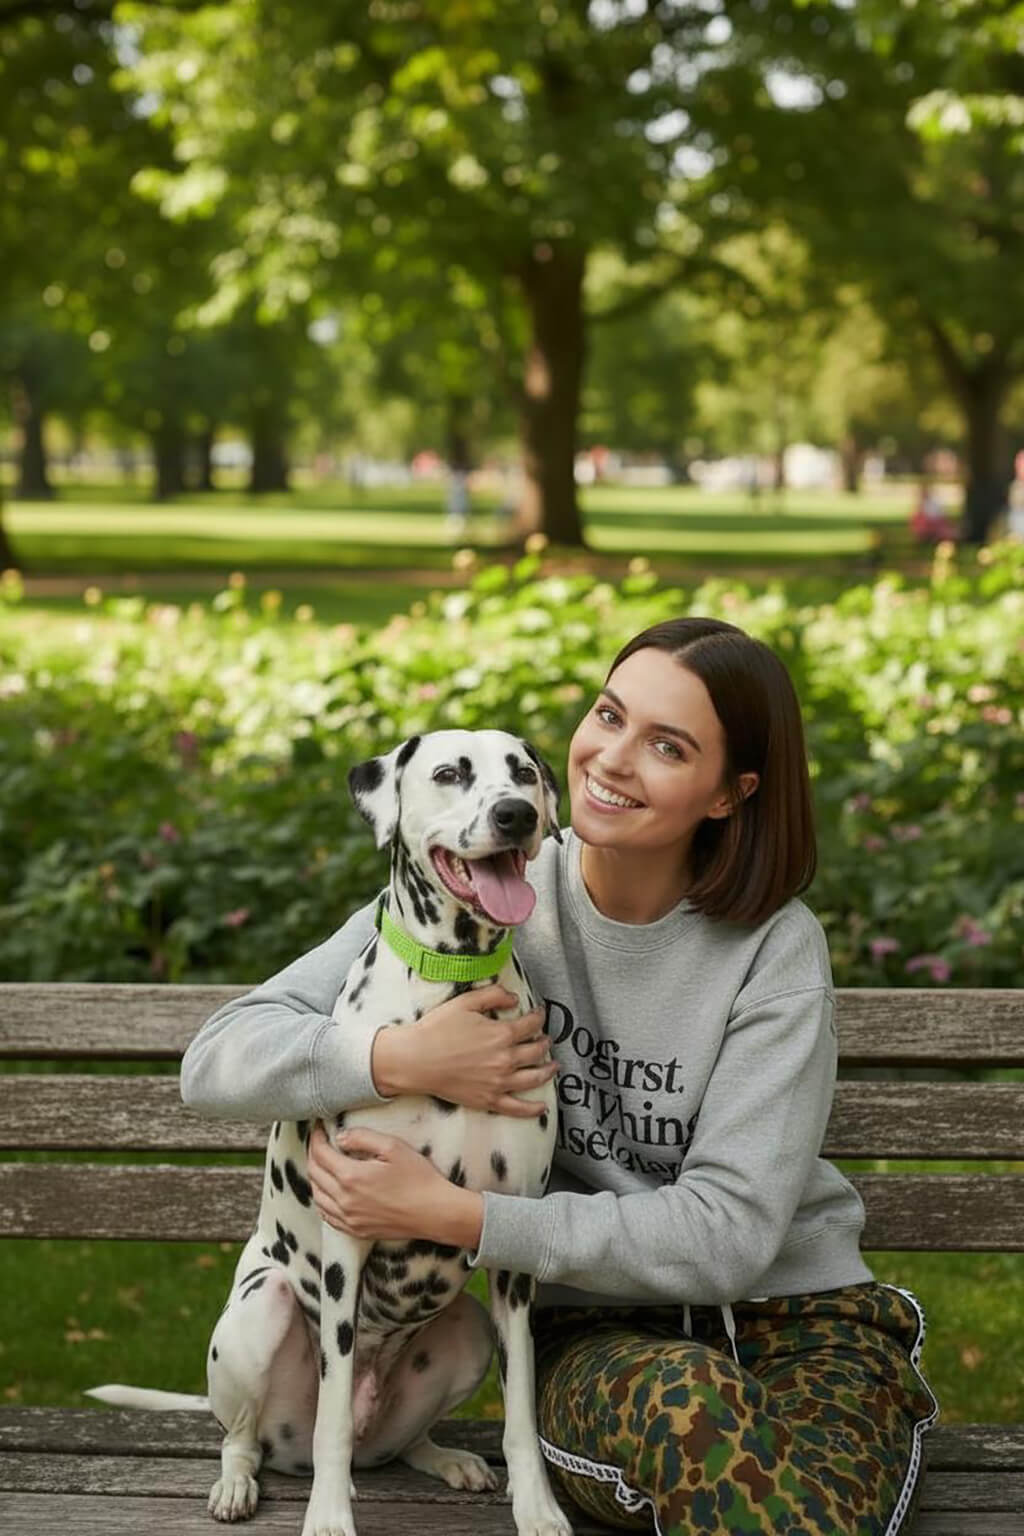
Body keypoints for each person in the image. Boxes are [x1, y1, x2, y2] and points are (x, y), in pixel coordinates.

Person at [181, 618, 938, 1536]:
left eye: (667, 746)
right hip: (602, 1334)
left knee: (803, 1514)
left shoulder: (774, 949)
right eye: (609, 716)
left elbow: (729, 1234)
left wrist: (464, 1218)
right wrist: (398, 1059)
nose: (613, 759)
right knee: (698, 1428)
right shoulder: (475, 882)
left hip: (802, 1319)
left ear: (730, 793)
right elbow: (217, 1059)